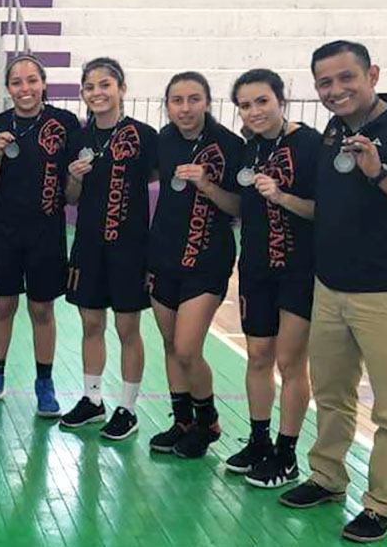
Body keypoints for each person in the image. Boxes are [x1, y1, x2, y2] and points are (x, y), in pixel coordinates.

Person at [280, 41, 387, 544]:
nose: (335, 90)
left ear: (372, 74)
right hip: (330, 286)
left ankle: (382, 505)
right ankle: (328, 478)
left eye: (345, 78)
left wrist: (380, 172)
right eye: (324, 83)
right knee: (331, 395)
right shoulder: (336, 131)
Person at [0, 54, 81, 417]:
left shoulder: (64, 124)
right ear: (8, 88)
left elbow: (73, 194)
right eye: (17, 82)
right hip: (2, 230)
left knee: (42, 309)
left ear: (43, 83)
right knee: (2, 306)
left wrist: (77, 177)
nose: (25, 88)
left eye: (32, 80)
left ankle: (44, 384)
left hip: (47, 231)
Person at [226, 69, 320, 489]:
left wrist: (282, 197)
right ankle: (260, 441)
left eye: (262, 101)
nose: (254, 111)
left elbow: (322, 211)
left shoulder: (311, 145)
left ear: (281, 99)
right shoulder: (247, 149)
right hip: (256, 268)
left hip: (300, 269)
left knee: (290, 361)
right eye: (245, 105)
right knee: (259, 355)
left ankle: (287, 453)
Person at [147, 71, 244, 459]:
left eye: (193, 99)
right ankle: (182, 420)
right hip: (163, 256)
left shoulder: (230, 146)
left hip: (207, 259)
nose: (185, 108)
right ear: (167, 104)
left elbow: (238, 208)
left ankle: (208, 421)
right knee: (170, 345)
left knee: (188, 348)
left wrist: (206, 185)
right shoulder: (163, 141)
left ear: (207, 101)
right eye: (177, 100)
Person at [61, 58, 158, 440]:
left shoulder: (145, 136)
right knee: (91, 324)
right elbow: (70, 197)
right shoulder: (80, 139)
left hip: (131, 246)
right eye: (90, 87)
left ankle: (128, 408)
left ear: (121, 89)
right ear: (83, 93)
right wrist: (73, 176)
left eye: (105, 85)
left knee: (127, 327)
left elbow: (152, 179)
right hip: (88, 244)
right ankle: (92, 399)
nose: (97, 93)